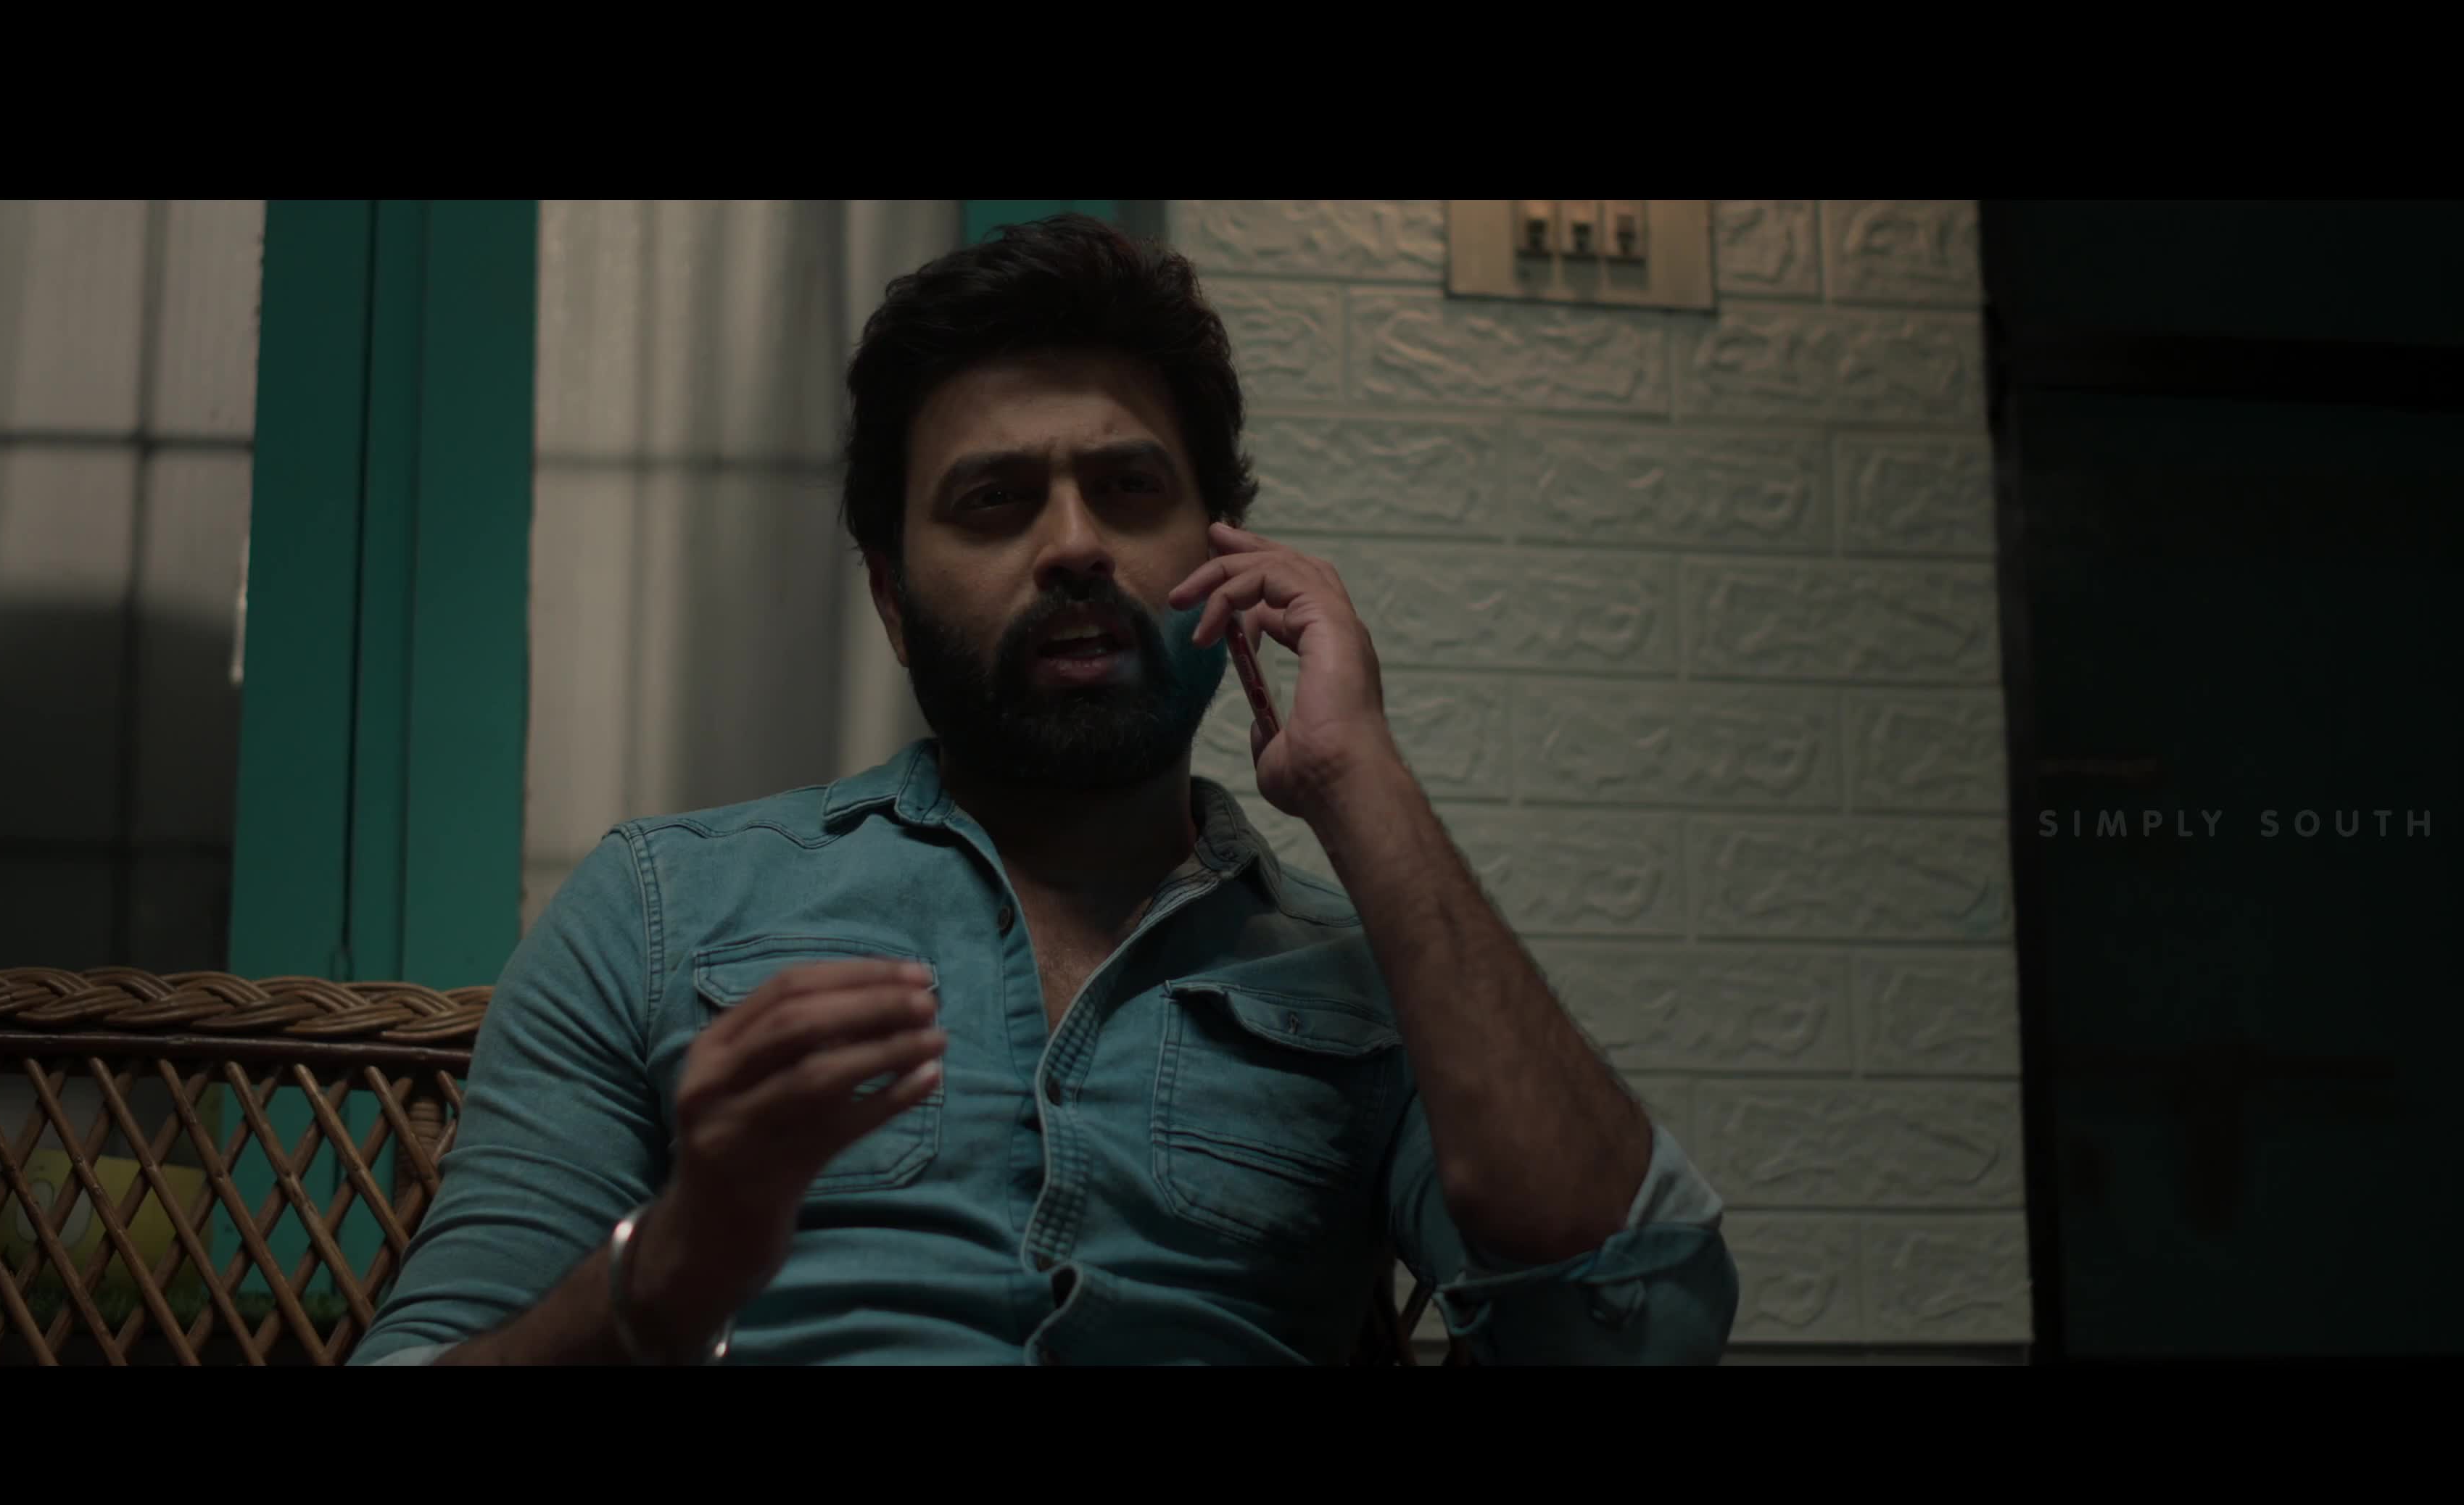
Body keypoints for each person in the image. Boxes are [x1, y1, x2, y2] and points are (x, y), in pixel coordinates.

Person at [352, 214, 1737, 1366]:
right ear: (892, 600)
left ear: (1226, 561)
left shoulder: (1376, 981)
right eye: (995, 500)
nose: (1074, 544)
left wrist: (1359, 779)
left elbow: (1638, 1324)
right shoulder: (661, 908)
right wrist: (671, 1265)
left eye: (1129, 488)